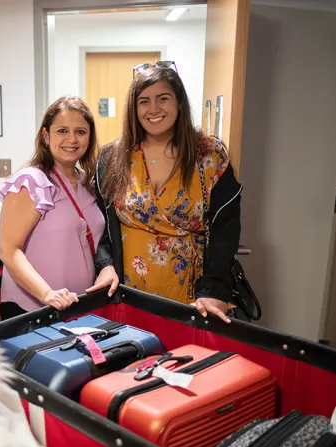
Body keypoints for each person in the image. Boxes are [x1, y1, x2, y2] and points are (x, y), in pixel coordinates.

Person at [94, 61, 242, 323]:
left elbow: (225, 229)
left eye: (163, 98)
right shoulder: (112, 156)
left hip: (195, 296)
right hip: (127, 293)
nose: (153, 109)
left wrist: (214, 289)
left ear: (180, 103)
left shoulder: (210, 155)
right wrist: (105, 265)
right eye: (144, 101)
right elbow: (101, 227)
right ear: (134, 108)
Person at [0, 96, 120, 320]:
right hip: (33, 309)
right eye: (62, 130)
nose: (72, 139)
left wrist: (106, 267)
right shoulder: (31, 181)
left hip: (79, 307)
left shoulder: (89, 183)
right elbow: (8, 250)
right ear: (46, 136)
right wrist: (47, 294)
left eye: (81, 132)